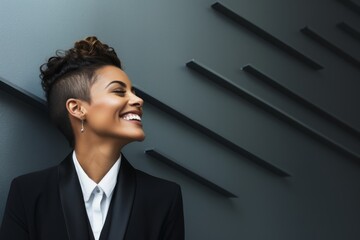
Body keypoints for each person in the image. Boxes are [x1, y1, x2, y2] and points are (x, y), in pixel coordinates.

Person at [0, 36, 184, 240]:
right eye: (118, 91)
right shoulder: (29, 193)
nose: (138, 100)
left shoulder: (164, 197)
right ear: (77, 108)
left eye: (133, 92)